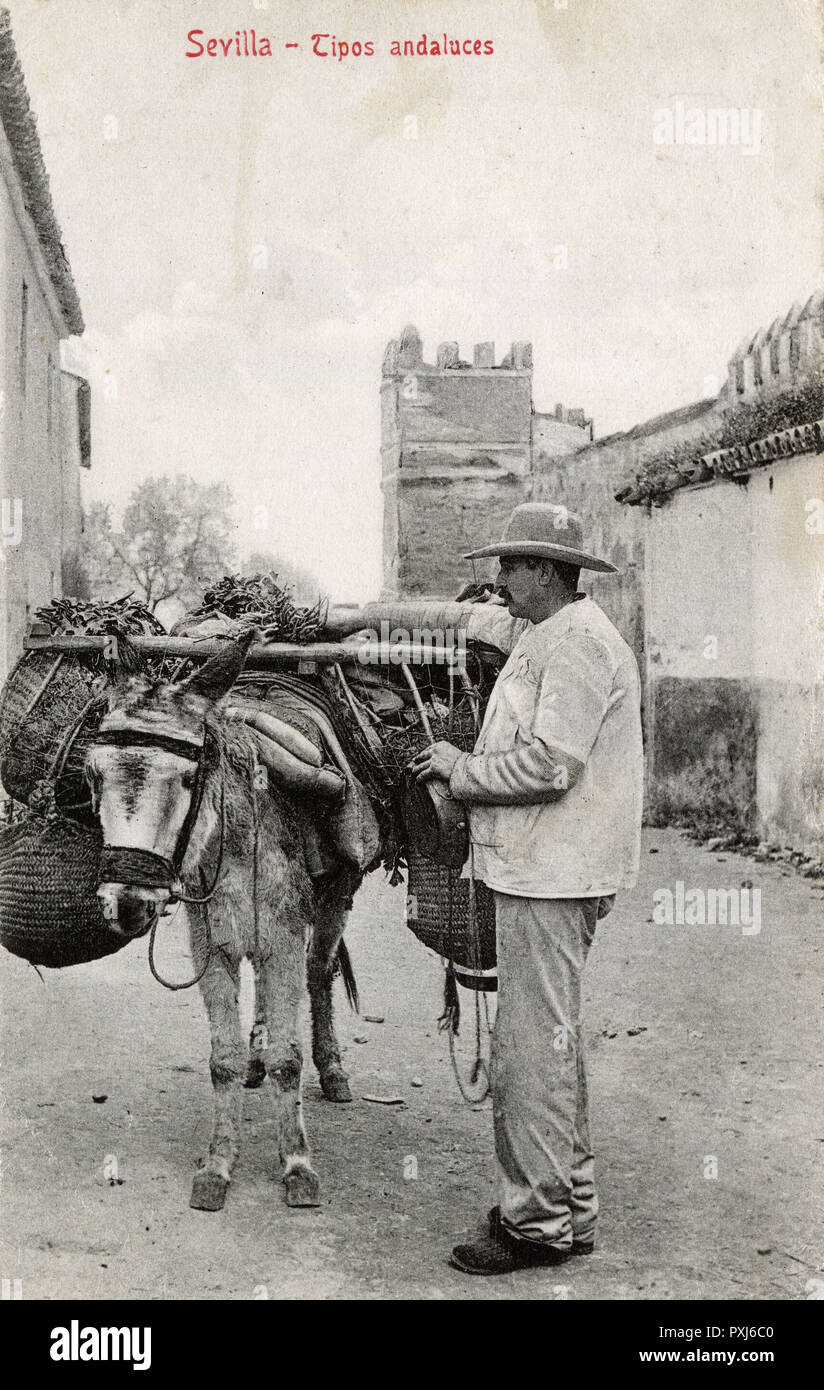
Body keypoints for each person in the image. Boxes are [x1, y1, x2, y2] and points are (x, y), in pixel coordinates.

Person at [409, 502, 643, 1275]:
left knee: (529, 1055)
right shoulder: (553, 633)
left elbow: (550, 765)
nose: (499, 579)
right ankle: (570, 1211)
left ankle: (534, 1226)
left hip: (552, 874)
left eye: (509, 567)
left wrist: (458, 769)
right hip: (546, 869)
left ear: (545, 572)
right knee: (550, 1044)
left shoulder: (576, 647)